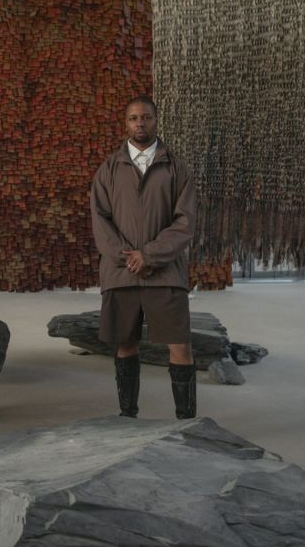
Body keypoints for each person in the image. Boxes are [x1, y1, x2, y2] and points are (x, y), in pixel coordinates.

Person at [90, 95, 198, 419]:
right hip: (121, 274)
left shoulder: (177, 167)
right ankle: (128, 417)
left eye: (147, 117)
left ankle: (185, 421)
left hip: (166, 273)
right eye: (134, 118)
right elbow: (100, 219)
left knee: (180, 345)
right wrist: (129, 259)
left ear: (155, 120)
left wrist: (149, 255)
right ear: (125, 124)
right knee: (125, 344)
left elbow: (186, 222)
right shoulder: (108, 169)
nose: (141, 123)